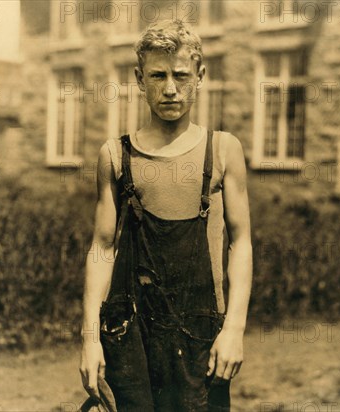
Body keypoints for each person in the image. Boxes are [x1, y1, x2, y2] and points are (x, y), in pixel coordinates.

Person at [79, 19, 253, 411]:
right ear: (140, 79)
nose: (170, 88)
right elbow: (102, 248)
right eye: (158, 75)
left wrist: (235, 329)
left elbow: (241, 244)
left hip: (201, 334)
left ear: (200, 76)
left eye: (181, 75)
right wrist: (90, 339)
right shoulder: (115, 155)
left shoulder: (223, 150)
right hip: (131, 334)